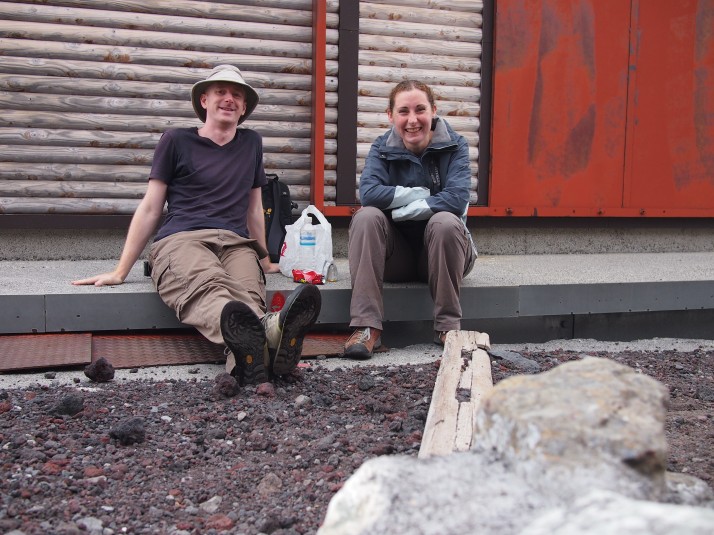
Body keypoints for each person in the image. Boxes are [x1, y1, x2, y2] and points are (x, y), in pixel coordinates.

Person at [73, 65, 321, 384]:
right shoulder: (176, 140)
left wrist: (264, 259)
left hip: (236, 243)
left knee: (248, 293)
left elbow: (254, 209)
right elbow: (151, 207)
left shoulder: (251, 143)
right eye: (221, 92)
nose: (229, 99)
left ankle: (247, 364)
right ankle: (272, 333)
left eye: (237, 95)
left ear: (244, 107)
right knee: (210, 285)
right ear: (204, 100)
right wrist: (121, 271)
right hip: (182, 238)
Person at [344, 80, 477, 359]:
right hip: (398, 257)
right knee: (366, 217)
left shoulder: (456, 146)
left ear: (434, 111)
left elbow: (456, 199)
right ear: (390, 115)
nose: (413, 120)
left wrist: (403, 208)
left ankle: (448, 327)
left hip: (445, 252)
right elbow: (369, 194)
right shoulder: (381, 148)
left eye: (420, 110)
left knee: (445, 221)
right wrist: (422, 195)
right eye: (403, 111)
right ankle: (367, 328)